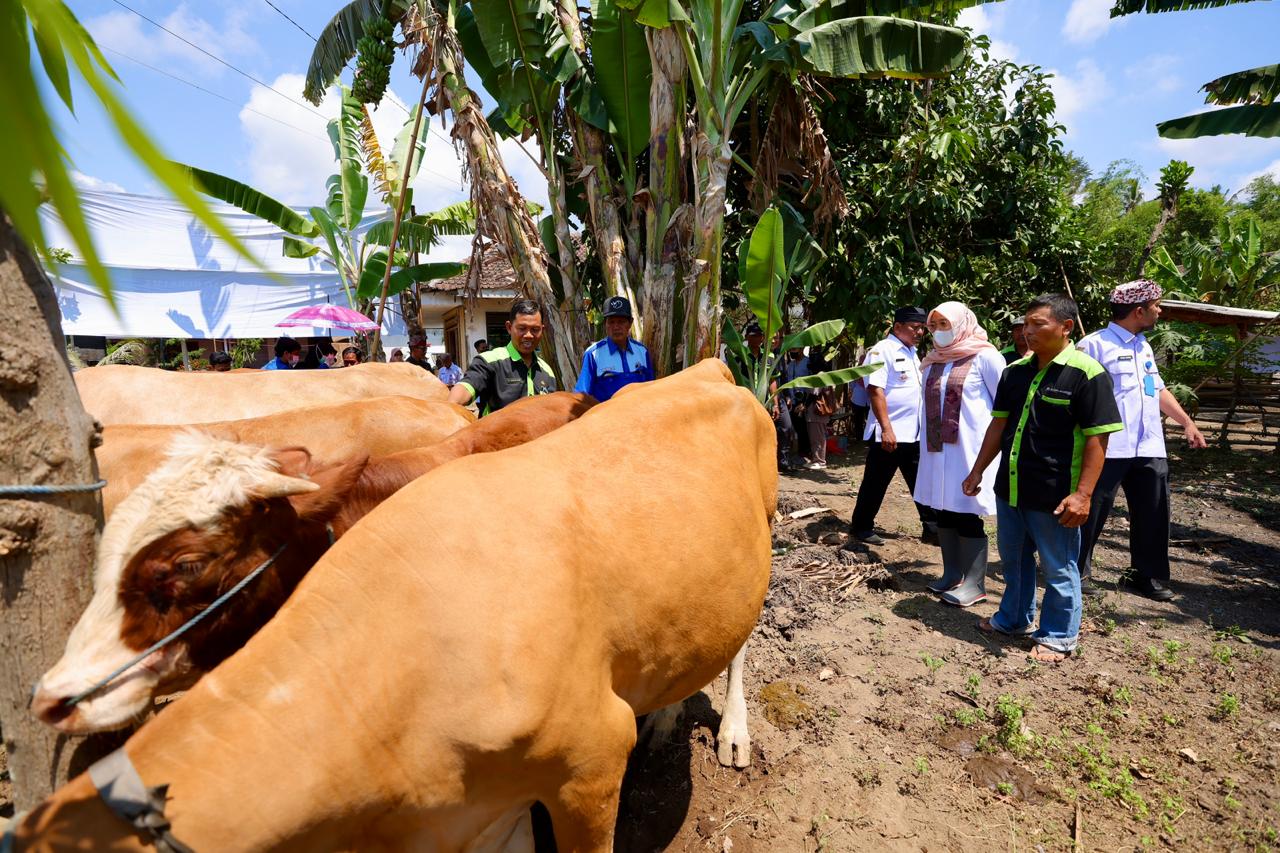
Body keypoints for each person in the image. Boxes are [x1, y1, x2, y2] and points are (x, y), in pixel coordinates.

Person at [962, 294, 1122, 663]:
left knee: (1058, 565)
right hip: (1012, 487)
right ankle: (1013, 619)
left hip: (1055, 493)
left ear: (1066, 327)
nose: (1027, 331)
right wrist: (977, 470)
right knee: (1014, 559)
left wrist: (1083, 495)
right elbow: (999, 424)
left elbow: (1099, 439)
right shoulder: (1014, 372)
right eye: (1025, 324)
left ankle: (1057, 636)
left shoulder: (1087, 374)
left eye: (1038, 324)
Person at [1076, 279, 1207, 601]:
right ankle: (1076, 572)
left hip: (1148, 445)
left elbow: (1157, 389)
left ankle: (1145, 577)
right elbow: (1078, 397)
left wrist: (1186, 422)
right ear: (1138, 310)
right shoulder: (1094, 345)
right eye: (1156, 306)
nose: (1159, 311)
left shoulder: (1143, 345)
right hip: (1109, 446)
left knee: (1153, 511)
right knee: (1091, 511)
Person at [914, 302, 1006, 607]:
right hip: (937, 452)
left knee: (966, 514)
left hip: (970, 452)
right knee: (943, 511)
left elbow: (1005, 407)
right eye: (934, 326)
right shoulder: (933, 361)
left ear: (963, 322)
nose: (939, 332)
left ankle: (974, 583)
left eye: (945, 324)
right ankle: (952, 573)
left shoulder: (986, 357)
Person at [848, 306, 938, 546]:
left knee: (920, 482)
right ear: (897, 327)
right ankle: (861, 527)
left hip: (914, 433)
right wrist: (886, 428)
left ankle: (932, 529)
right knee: (876, 482)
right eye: (914, 327)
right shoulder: (882, 351)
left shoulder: (912, 352)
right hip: (889, 434)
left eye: (922, 328)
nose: (919, 332)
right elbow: (875, 390)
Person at [449, 300, 558, 414]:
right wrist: (450, 406)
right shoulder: (489, 361)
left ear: (542, 330)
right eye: (522, 328)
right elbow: (467, 386)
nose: (528, 335)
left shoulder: (547, 371)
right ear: (509, 327)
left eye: (535, 329)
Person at [574, 296, 655, 402]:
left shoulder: (642, 352)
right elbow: (581, 396)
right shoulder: (593, 354)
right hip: (606, 417)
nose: (616, 327)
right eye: (611, 322)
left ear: (630, 323)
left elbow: (652, 390)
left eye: (621, 322)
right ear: (605, 324)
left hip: (640, 415)